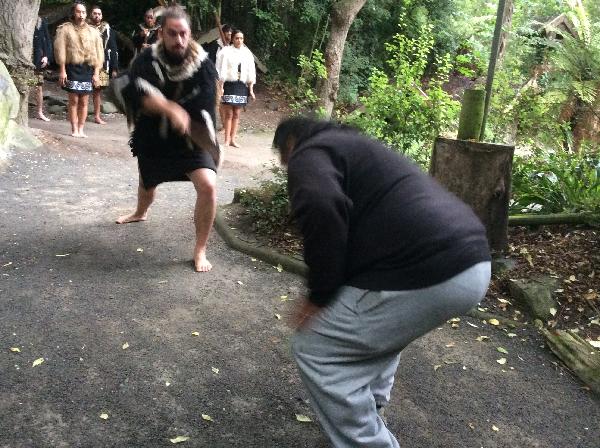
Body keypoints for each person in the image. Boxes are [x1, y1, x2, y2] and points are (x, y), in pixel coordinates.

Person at [272, 118, 492, 448]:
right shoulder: (355, 146)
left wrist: (318, 296)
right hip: (470, 261)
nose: (287, 167)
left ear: (290, 143)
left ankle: (368, 441)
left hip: (428, 266)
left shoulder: (310, 151)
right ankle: (370, 412)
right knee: (375, 333)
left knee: (317, 347)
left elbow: (320, 203)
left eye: (283, 159)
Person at [116, 6, 219, 273]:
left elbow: (206, 107)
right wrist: (168, 109)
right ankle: (140, 212)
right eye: (172, 34)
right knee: (148, 185)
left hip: (191, 138)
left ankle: (200, 250)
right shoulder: (146, 60)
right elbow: (136, 93)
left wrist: (191, 120)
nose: (179, 40)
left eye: (183, 34)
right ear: (161, 33)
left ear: (190, 34)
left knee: (208, 185)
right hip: (154, 136)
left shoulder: (204, 66)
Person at [54, 2, 104, 137]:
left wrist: (96, 73)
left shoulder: (93, 32)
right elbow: (60, 51)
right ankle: (74, 129)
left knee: (84, 101)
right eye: (78, 12)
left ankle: (81, 129)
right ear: (73, 13)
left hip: (87, 69)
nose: (81, 15)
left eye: (83, 12)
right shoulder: (65, 29)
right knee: (74, 100)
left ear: (86, 14)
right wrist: (62, 70)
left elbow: (99, 55)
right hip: (72, 68)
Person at [215, 29, 255, 148]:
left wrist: (251, 89)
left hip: (241, 85)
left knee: (237, 113)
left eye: (241, 38)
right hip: (229, 84)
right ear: (232, 39)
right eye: (237, 38)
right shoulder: (225, 52)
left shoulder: (247, 53)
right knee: (229, 113)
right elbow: (219, 69)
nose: (239, 40)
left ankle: (233, 139)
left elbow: (251, 72)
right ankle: (226, 140)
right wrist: (220, 87)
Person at [89, 5, 119, 125]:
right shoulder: (85, 28)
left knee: (98, 90)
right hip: (87, 62)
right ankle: (79, 114)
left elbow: (114, 49)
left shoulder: (108, 30)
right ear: (91, 14)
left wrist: (115, 68)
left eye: (99, 14)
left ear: (102, 16)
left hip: (103, 64)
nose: (97, 16)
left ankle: (97, 116)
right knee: (83, 89)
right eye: (95, 13)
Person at [32, 16, 53, 121]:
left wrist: (46, 56)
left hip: (37, 59)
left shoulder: (41, 22)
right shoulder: (21, 19)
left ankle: (39, 112)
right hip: (24, 57)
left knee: (39, 86)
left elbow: (47, 40)